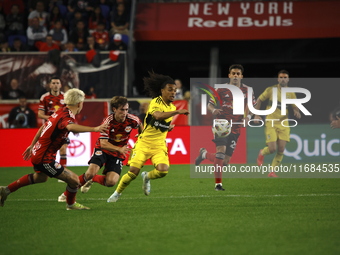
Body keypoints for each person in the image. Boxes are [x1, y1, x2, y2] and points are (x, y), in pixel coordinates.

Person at [0, 88, 108, 209]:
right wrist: (95, 129)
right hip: (44, 158)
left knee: (40, 178)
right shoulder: (66, 116)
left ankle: (6, 190)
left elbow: (43, 127)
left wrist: (32, 145)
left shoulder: (60, 111)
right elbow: (70, 127)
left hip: (39, 152)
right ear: (79, 103)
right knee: (74, 181)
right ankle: (71, 204)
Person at [107, 71, 189, 202]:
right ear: (162, 90)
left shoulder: (172, 106)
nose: (173, 92)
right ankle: (117, 193)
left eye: (175, 90)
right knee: (133, 172)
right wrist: (178, 111)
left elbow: (156, 123)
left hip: (159, 144)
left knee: (163, 171)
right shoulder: (156, 102)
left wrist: (167, 128)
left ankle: (147, 177)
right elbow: (157, 115)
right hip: (144, 143)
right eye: (170, 90)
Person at [58, 96, 142, 202]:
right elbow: (103, 144)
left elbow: (140, 124)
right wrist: (119, 149)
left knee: (111, 182)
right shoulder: (107, 122)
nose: (124, 112)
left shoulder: (132, 120)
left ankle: (93, 179)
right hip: (103, 149)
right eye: (122, 110)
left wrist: (140, 134)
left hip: (117, 153)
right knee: (89, 173)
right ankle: (66, 194)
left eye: (126, 109)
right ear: (114, 109)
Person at [195, 64, 255, 191]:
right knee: (220, 153)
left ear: (241, 76)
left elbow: (251, 108)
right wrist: (213, 110)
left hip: (236, 127)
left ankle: (204, 154)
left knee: (225, 161)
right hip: (221, 125)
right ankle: (218, 185)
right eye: (233, 73)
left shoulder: (248, 90)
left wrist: (248, 118)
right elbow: (210, 104)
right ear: (229, 75)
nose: (235, 76)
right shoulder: (221, 89)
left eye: (238, 74)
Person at [255, 70, 301, 177]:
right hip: (271, 121)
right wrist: (256, 114)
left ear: (288, 79)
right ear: (278, 79)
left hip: (284, 123)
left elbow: (295, 105)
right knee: (272, 149)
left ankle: (272, 171)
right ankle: (262, 153)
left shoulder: (291, 93)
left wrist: (296, 110)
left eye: (285, 77)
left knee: (281, 149)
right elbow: (259, 100)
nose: (283, 79)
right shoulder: (271, 90)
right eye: (281, 77)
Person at [38, 77, 68, 167]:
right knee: (47, 151)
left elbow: (69, 112)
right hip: (49, 128)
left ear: (60, 85)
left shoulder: (65, 97)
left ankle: (64, 173)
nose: (55, 85)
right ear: (50, 85)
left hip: (62, 128)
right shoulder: (45, 97)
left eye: (57, 83)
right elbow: (40, 114)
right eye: (53, 83)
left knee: (63, 150)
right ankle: (44, 169)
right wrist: (53, 118)